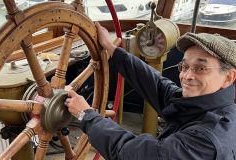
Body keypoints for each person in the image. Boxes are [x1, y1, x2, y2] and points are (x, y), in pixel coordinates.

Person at [65, 22, 236, 160]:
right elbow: (157, 84)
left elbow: (130, 153)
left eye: (200, 68)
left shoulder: (206, 141)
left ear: (229, 77)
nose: (186, 76)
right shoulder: (208, 105)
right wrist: (111, 48)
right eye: (184, 66)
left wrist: (85, 115)